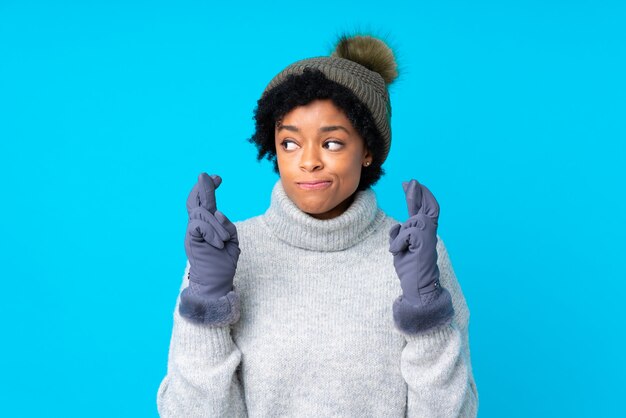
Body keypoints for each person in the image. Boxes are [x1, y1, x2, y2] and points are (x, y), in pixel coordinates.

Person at [157, 34, 479, 417]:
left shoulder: (419, 256)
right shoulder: (224, 253)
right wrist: (206, 305)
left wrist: (427, 317)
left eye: (332, 144)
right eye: (290, 143)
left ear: (368, 151)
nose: (308, 161)